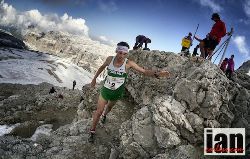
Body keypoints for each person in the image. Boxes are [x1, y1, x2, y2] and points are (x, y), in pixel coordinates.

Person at [88, 41, 170, 143]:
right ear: (116, 51)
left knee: (109, 107)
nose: (121, 55)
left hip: (117, 92)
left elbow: (144, 71)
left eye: (124, 53)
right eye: (119, 52)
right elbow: (101, 67)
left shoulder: (129, 63)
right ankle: (92, 131)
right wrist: (94, 78)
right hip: (105, 90)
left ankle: (105, 115)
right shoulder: (110, 59)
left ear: (127, 54)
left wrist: (158, 74)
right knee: (98, 111)